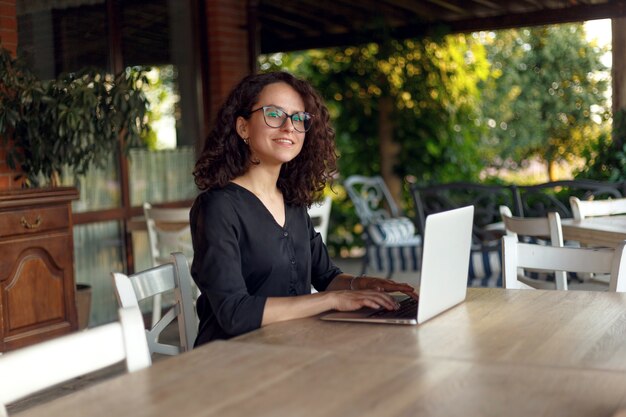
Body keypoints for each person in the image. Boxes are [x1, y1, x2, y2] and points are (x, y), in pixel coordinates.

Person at [190, 71, 417, 346]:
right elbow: (234, 313)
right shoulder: (218, 207)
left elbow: (326, 277)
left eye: (298, 118)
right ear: (243, 127)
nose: (289, 127)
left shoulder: (292, 203)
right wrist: (332, 300)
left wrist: (363, 285)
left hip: (292, 345)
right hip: (233, 359)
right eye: (274, 114)